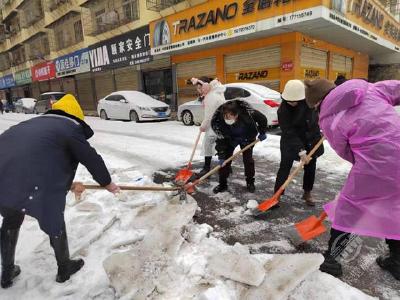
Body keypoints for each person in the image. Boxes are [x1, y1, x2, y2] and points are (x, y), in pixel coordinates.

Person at [0, 94, 120, 288]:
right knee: (53, 217)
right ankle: (64, 267)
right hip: (34, 181)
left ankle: (6, 271)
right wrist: (107, 182)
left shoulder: (33, 124)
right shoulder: (69, 128)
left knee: (11, 217)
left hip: (3, 178)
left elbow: (39, 154)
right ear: (75, 116)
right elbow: (90, 157)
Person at [305, 79, 400, 281]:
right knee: (395, 207)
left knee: (348, 209)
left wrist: (365, 165)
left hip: (376, 162)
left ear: (316, 103)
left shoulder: (328, 119)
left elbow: (346, 151)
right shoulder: (370, 88)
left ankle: (332, 260)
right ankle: (397, 262)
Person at [274, 80, 324, 206]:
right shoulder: (283, 110)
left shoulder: (309, 103)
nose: (291, 103)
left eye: (294, 100)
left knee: (310, 167)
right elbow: (289, 132)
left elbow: (316, 119)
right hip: (290, 141)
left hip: (310, 140)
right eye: (288, 100)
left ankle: (307, 192)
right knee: (284, 167)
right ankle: (277, 194)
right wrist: (301, 150)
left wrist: (326, 127)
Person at [211, 100, 268, 194]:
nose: (227, 118)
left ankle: (250, 182)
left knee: (248, 159)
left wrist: (262, 132)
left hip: (247, 137)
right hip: (230, 138)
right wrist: (221, 156)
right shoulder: (219, 121)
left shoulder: (248, 114)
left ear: (236, 114)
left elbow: (263, 119)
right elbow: (221, 140)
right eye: (226, 116)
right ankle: (222, 184)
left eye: (230, 116)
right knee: (225, 160)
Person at [191, 77, 226, 177]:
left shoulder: (211, 97)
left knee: (208, 146)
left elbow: (209, 115)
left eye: (200, 88)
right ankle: (226, 167)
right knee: (221, 146)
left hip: (214, 125)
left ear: (205, 86)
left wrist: (203, 126)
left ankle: (206, 169)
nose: (199, 90)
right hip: (221, 124)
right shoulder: (217, 92)